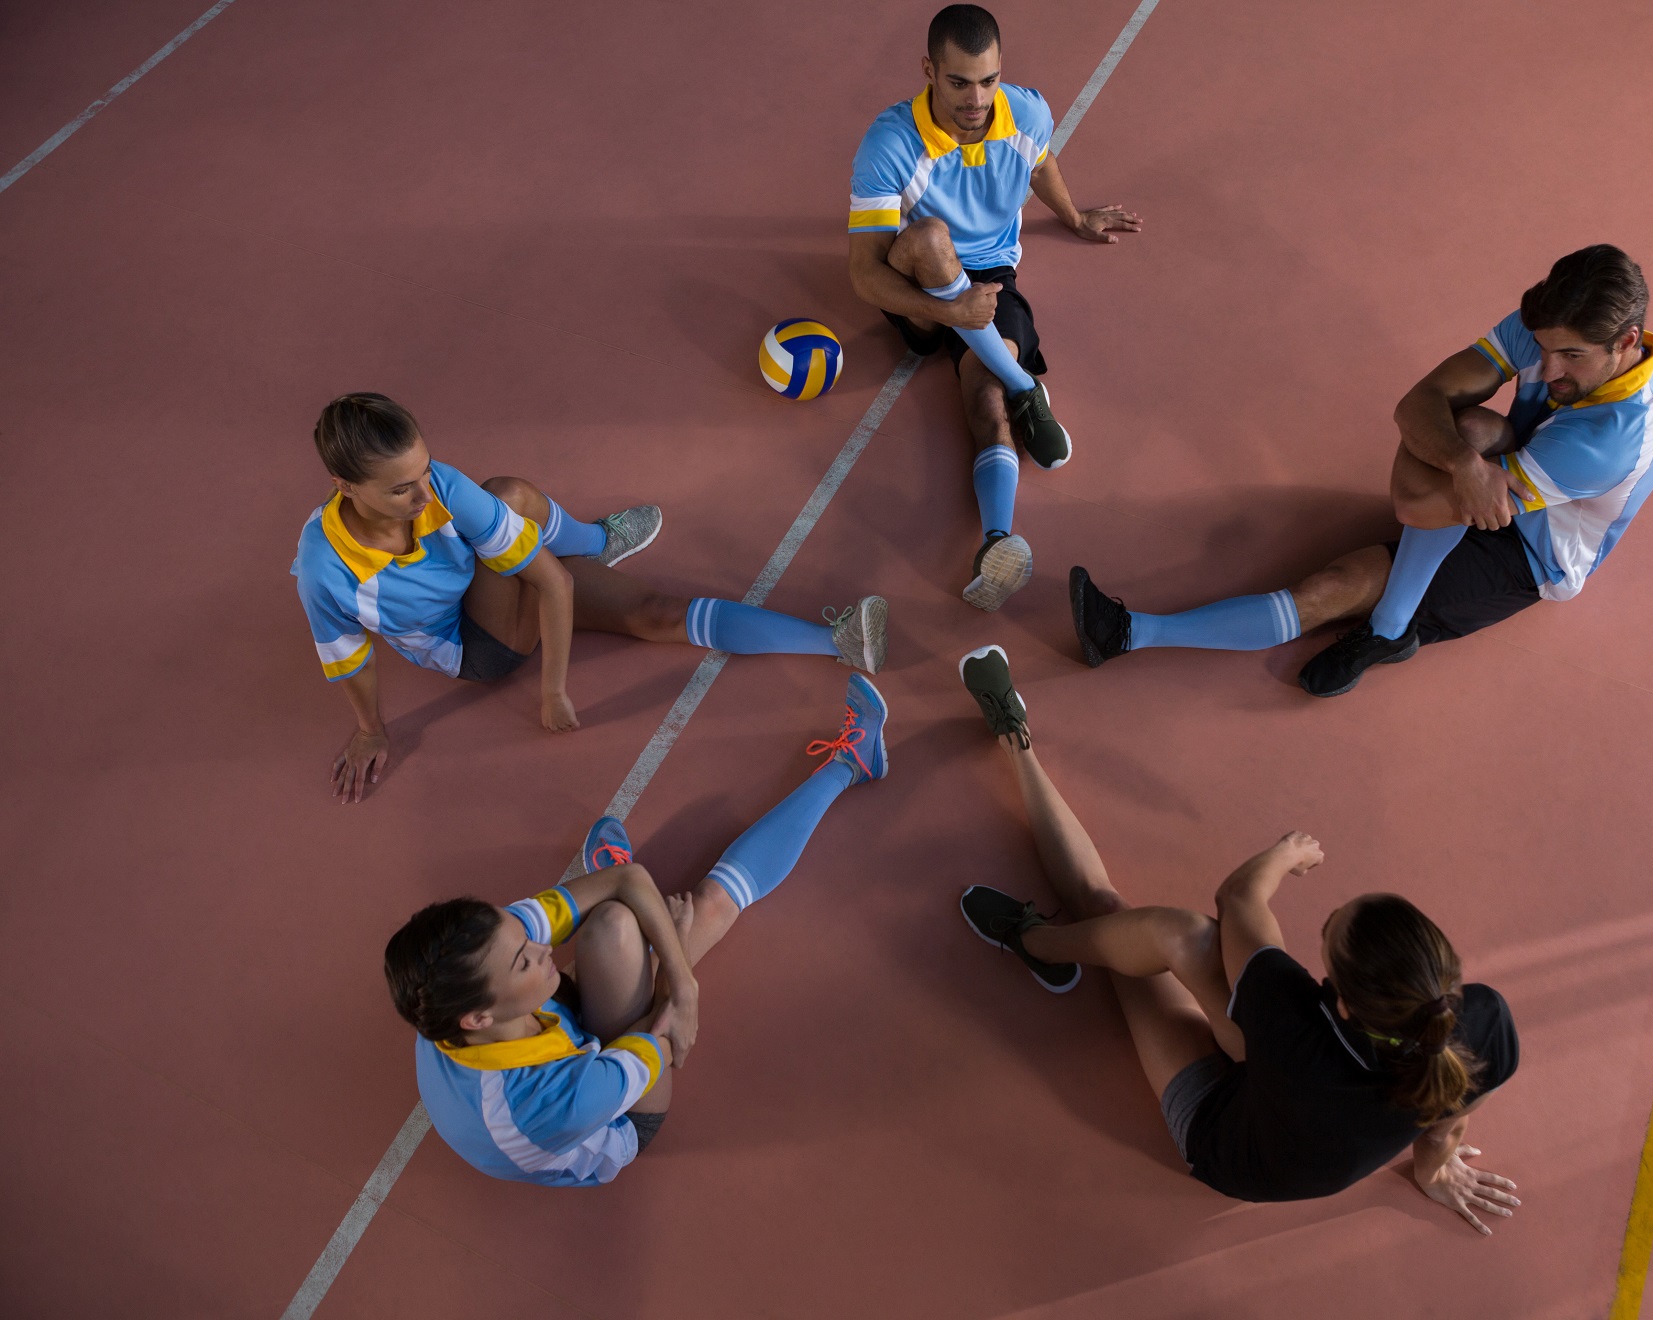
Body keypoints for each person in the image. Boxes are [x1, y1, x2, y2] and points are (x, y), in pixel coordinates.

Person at [953, 645, 1521, 1222]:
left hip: (1228, 1138)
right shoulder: (1481, 1025)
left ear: (1344, 1006)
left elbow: (1238, 897)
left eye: (1328, 936)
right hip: (1290, 1084)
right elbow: (1449, 1122)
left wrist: (1287, 851)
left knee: (1112, 910)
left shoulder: (1291, 1022)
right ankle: (1017, 748)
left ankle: (1035, 942)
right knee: (1184, 937)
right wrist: (1432, 1174)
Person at [1067, 245, 1653, 696]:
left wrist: (1439, 457)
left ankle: (1133, 632)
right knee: (1474, 431)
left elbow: (1416, 504)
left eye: (1570, 357)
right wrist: (1463, 459)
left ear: (1627, 342)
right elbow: (1415, 402)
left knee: (1333, 586)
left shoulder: (1611, 440)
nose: (1547, 365)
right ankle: (1389, 621)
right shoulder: (1548, 329)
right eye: (1541, 348)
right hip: (1515, 463)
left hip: (1533, 554)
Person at [382, 672, 889, 1186]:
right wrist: (673, 976)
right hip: (614, 1112)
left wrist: (680, 980)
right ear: (478, 1018)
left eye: (523, 937)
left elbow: (627, 877)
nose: (542, 947)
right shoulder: (553, 1102)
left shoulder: (453, 988)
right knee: (703, 909)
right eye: (524, 960)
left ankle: (635, 932)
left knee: (615, 918)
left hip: (548, 1034)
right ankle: (852, 765)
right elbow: (668, 1039)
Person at [294, 392, 889, 802]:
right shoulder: (327, 570)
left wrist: (555, 671)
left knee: (651, 610)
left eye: (425, 471)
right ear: (344, 487)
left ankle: (836, 641)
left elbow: (555, 584)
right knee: (509, 500)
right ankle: (591, 539)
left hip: (485, 582)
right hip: (474, 646)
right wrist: (371, 728)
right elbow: (351, 657)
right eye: (402, 490)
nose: (425, 493)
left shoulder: (438, 485)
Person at [847, 4, 1141, 611]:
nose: (975, 98)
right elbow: (864, 275)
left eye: (988, 80)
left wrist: (1077, 217)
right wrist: (954, 314)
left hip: (993, 275)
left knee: (985, 398)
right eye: (958, 82)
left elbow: (1041, 163)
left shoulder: (1025, 113)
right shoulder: (891, 144)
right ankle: (1027, 387)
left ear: (1001, 71)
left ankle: (996, 542)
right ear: (929, 70)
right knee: (930, 239)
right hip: (923, 290)